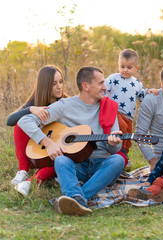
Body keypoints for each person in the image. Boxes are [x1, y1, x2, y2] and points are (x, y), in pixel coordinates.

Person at [18, 66, 125, 216]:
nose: (105, 87)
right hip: (76, 165)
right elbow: (25, 121)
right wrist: (48, 143)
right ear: (86, 86)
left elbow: (114, 150)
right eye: (100, 83)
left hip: (101, 166)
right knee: (61, 161)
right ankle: (80, 199)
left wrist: (114, 143)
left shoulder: (109, 107)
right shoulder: (64, 106)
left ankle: (76, 198)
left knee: (118, 160)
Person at [7, 65, 68, 196]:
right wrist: (30, 109)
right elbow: (9, 120)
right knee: (20, 123)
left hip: (55, 150)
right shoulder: (34, 101)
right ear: (45, 85)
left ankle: (30, 182)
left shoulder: (65, 102)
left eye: (61, 81)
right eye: (54, 83)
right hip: (36, 147)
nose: (59, 87)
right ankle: (23, 170)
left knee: (58, 163)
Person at [105, 49, 158, 167]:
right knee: (121, 128)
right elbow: (103, 90)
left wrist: (149, 92)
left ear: (136, 68)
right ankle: (120, 152)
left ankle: (125, 156)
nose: (125, 70)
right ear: (118, 65)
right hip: (115, 111)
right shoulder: (113, 78)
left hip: (129, 116)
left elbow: (141, 97)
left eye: (129, 67)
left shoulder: (137, 83)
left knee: (128, 134)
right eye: (122, 66)